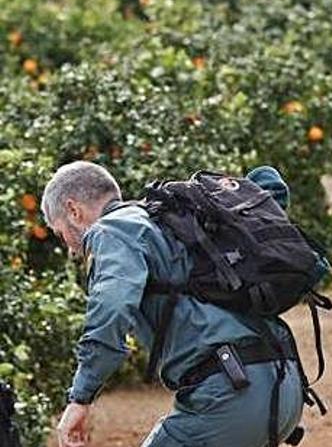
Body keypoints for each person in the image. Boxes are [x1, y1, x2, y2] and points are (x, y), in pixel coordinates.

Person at [46, 161, 304, 447]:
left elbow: (111, 311)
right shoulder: (169, 219)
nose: (70, 249)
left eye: (61, 234)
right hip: (282, 384)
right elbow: (271, 188)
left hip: (232, 393)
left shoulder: (110, 232)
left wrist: (80, 398)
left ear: (73, 210)